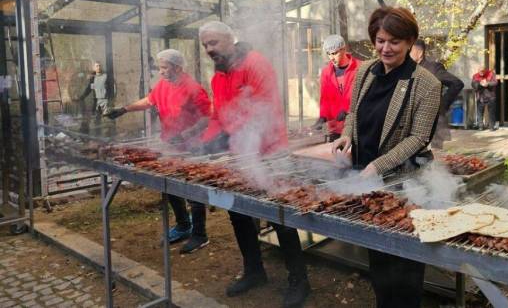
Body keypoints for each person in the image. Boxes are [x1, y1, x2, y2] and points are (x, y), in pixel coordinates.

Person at [332, 7, 441, 308]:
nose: (385, 48)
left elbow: (419, 138)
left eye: (394, 41)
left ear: (410, 41)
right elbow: (354, 111)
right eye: (380, 40)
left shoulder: (426, 84)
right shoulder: (366, 70)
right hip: (365, 174)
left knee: (405, 259)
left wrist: (378, 165)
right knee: (378, 254)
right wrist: (346, 134)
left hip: (406, 180)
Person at [197, 21, 310, 308]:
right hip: (240, 155)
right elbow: (217, 116)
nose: (210, 49)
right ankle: (254, 271)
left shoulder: (255, 64)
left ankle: (299, 279)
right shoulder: (217, 78)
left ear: (230, 39)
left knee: (279, 215)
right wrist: (208, 140)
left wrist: (228, 135)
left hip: (271, 153)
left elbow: (264, 114)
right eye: (205, 45)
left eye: (214, 43)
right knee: (238, 213)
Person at [105, 49, 212, 254]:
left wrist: (186, 134)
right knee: (168, 185)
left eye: (164, 67)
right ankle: (183, 225)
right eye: (160, 67)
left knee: (193, 190)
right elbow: (149, 101)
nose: (160, 71)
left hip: (191, 146)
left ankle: (200, 235)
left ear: (178, 68)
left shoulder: (193, 88)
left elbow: (207, 117)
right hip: (169, 143)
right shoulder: (163, 85)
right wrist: (125, 109)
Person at [409, 38, 464, 148]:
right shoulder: (409, 69)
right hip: (413, 122)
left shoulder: (433, 68)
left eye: (410, 51)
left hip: (434, 122)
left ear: (419, 52)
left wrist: (442, 104)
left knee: (435, 156)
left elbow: (457, 84)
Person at [313, 34, 360, 141]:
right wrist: (322, 117)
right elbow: (324, 99)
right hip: (335, 129)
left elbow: (365, 97)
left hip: (355, 127)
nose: (331, 58)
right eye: (329, 54)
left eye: (334, 53)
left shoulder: (359, 68)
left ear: (343, 50)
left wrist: (348, 112)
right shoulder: (326, 72)